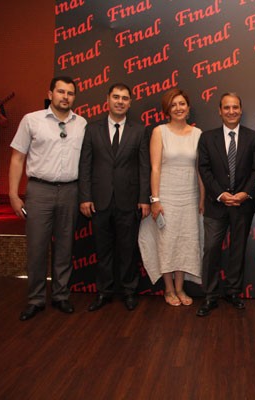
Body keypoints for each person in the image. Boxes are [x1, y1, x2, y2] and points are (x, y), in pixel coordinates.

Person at [9, 76, 87, 321]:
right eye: (61, 92)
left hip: (70, 191)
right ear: (50, 94)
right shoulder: (31, 120)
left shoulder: (82, 124)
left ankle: (61, 295)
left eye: (70, 93)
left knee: (65, 247)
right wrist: (13, 194)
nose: (65, 97)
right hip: (39, 191)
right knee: (37, 247)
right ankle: (35, 299)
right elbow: (17, 159)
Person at [78, 83, 150, 312]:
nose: (120, 101)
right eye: (116, 97)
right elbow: (85, 165)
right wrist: (85, 197)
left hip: (129, 200)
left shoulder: (139, 130)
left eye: (125, 98)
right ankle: (104, 292)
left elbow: (144, 167)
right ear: (107, 99)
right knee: (102, 250)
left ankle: (129, 291)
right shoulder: (92, 129)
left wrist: (144, 198)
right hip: (99, 201)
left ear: (130, 102)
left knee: (128, 249)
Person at [196, 92, 255, 317]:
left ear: (241, 110)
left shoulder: (253, 137)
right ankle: (210, 295)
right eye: (227, 107)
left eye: (235, 107)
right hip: (216, 204)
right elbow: (204, 169)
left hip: (243, 204)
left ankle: (233, 292)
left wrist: (245, 193)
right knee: (211, 249)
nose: (231, 111)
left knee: (238, 249)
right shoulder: (207, 138)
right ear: (220, 111)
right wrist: (220, 194)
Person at [138, 88, 204, 306]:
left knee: (185, 242)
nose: (178, 108)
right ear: (167, 109)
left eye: (182, 104)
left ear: (188, 107)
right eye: (173, 105)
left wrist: (202, 198)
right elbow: (155, 168)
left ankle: (180, 288)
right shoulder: (159, 132)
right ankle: (168, 289)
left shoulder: (198, 134)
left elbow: (200, 170)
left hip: (190, 196)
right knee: (166, 242)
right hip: (166, 196)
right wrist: (155, 200)